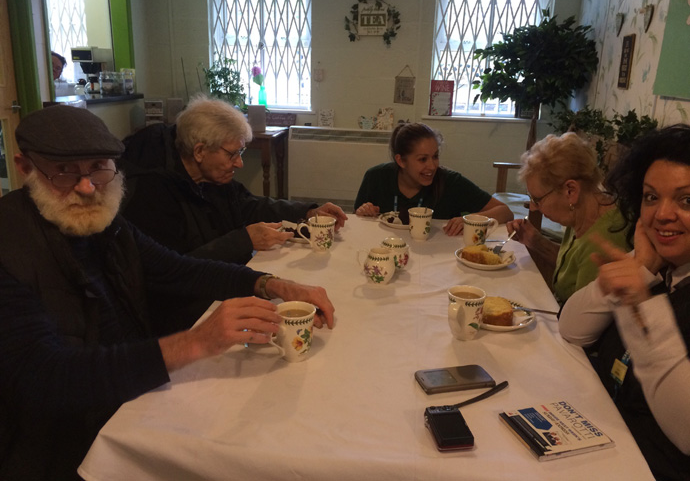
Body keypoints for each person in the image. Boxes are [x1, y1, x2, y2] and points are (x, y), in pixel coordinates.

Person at [0, 105, 336, 480]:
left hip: (131, 396)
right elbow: (42, 378)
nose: (87, 187)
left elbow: (177, 269)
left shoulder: (105, 222)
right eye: (64, 172)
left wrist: (271, 283)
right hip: (63, 445)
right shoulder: (10, 244)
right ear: (25, 167)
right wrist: (194, 342)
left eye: (98, 167)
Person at [559, 124, 690, 480]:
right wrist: (640, 267)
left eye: (686, 200)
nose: (662, 214)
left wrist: (642, 306)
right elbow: (571, 328)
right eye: (651, 197)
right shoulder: (663, 268)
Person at [120, 95, 348, 264]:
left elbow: (248, 205)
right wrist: (244, 241)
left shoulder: (210, 177)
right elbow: (171, 270)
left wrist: (308, 211)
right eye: (233, 154)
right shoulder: (150, 193)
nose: (239, 164)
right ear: (199, 151)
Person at [505, 132, 629, 306]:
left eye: (537, 199)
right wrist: (536, 242)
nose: (533, 207)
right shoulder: (583, 210)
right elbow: (571, 267)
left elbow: (583, 321)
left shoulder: (604, 240)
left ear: (570, 191)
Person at [353, 122, 512, 236]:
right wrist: (364, 212)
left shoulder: (451, 182)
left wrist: (469, 220)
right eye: (422, 159)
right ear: (401, 161)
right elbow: (357, 221)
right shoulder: (376, 177)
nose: (432, 166)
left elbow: (505, 212)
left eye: (435, 157)